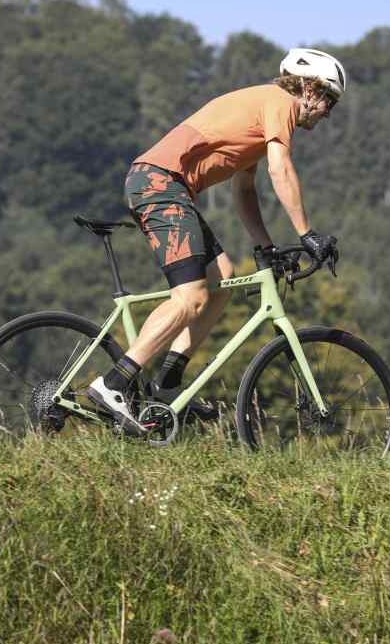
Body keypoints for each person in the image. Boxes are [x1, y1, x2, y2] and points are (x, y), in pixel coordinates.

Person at [88, 48, 345, 435]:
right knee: (190, 297)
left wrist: (265, 247)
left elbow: (244, 192)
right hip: (160, 183)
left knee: (222, 279)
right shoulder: (279, 103)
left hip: (168, 187)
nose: (328, 111)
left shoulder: (262, 114)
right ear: (307, 88)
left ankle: (167, 385)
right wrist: (306, 234)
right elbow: (281, 169)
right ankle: (113, 384)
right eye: (329, 98)